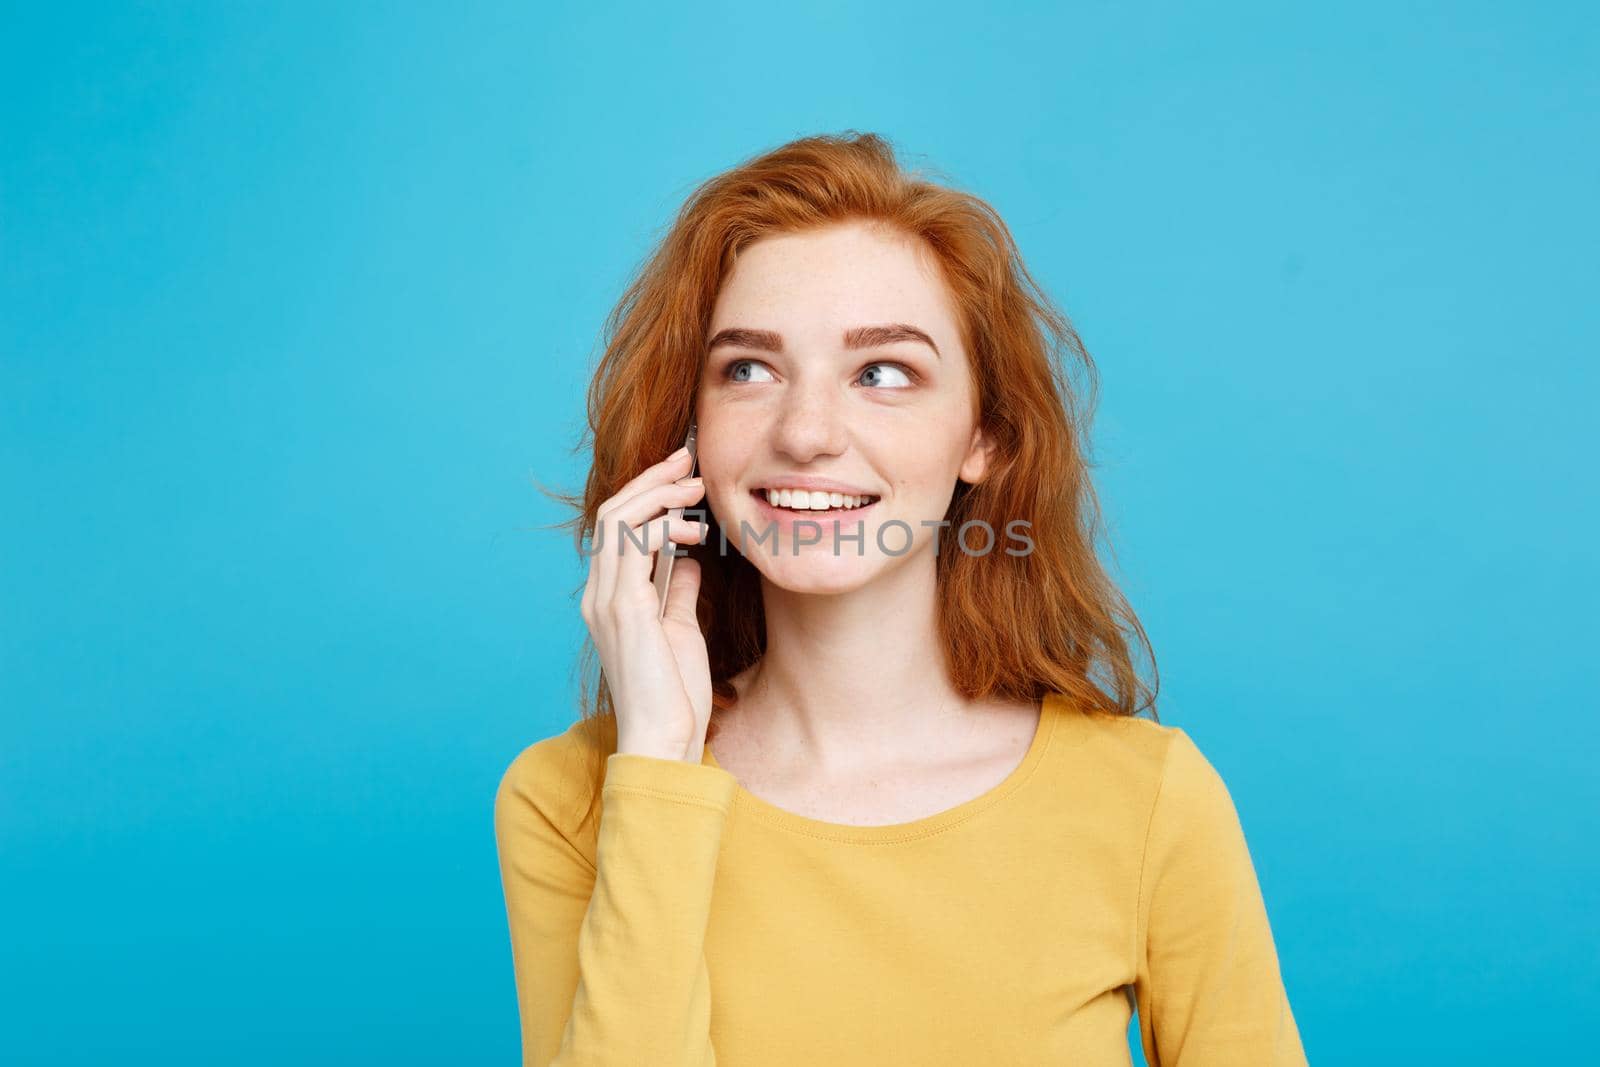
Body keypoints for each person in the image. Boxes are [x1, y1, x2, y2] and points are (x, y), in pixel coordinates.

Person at [493, 131, 1308, 1065]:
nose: (804, 433)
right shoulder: (570, 802)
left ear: (985, 439)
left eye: (883, 373)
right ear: (691, 436)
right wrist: (659, 770)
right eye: (747, 369)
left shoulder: (1149, 800)